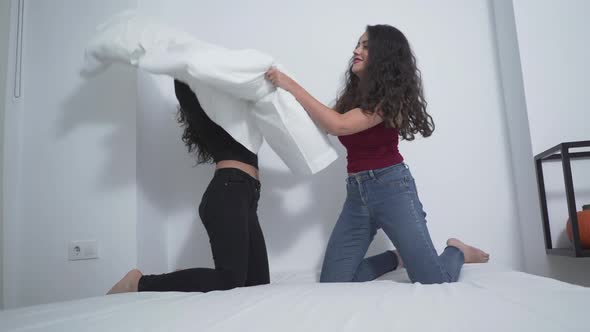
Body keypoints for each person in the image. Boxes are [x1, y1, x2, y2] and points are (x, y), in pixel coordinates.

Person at [265, 24, 489, 284]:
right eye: (358, 44)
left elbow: (338, 125)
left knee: (434, 280)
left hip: (392, 190)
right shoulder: (352, 96)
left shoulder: (392, 99)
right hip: (357, 194)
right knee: (333, 283)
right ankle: (397, 258)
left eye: (365, 46)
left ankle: (456, 250)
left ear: (383, 56)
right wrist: (275, 97)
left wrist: (289, 83)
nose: (356, 50)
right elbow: (321, 122)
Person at [107, 79, 270, 293]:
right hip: (229, 191)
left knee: (259, 286)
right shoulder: (201, 103)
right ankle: (138, 283)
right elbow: (183, 78)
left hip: (246, 195)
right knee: (230, 280)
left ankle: (183, 280)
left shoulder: (237, 121)